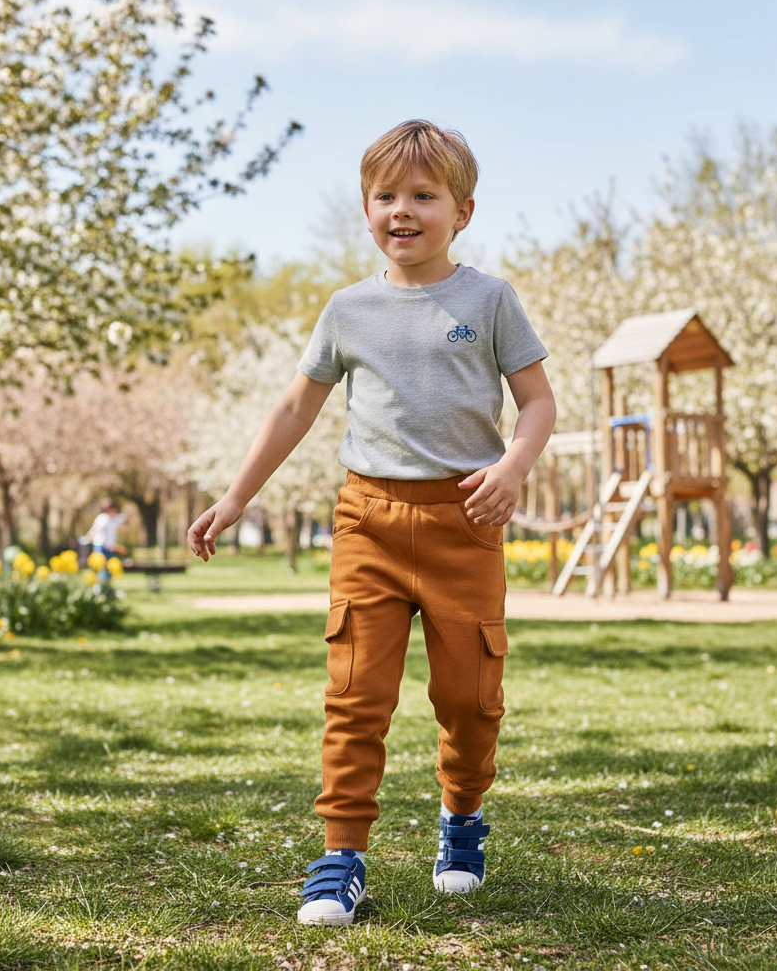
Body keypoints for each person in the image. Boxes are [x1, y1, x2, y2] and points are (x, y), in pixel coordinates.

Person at [187, 120, 556, 925]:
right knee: (356, 694)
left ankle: (461, 818)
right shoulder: (347, 309)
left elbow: (537, 400)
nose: (403, 210)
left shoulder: (489, 299)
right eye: (386, 195)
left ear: (461, 211)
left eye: (423, 196)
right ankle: (341, 856)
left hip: (464, 522)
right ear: (365, 210)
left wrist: (512, 467)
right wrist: (237, 495)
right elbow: (294, 406)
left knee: (468, 697)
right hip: (369, 524)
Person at [86, 499, 128, 572]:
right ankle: (99, 582)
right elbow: (95, 530)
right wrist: (89, 537)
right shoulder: (103, 518)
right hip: (101, 546)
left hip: (110, 548)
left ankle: (105, 582)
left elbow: (123, 519)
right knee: (100, 566)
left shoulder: (115, 519)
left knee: (109, 568)